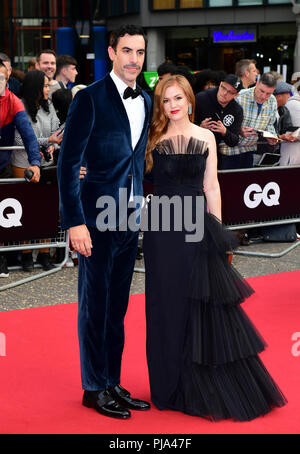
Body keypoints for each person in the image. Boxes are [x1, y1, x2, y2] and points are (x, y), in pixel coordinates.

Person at [143, 74, 287, 421]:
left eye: (178, 99)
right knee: (164, 304)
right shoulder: (151, 137)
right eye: (165, 101)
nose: (173, 106)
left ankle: (198, 380)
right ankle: (167, 381)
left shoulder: (205, 136)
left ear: (190, 100)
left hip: (195, 226)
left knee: (200, 301)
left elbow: (212, 188)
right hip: (161, 227)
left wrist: (220, 234)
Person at [57, 24, 151, 419]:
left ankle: (112, 381)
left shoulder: (146, 100)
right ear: (111, 53)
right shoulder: (90, 98)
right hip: (94, 219)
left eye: (140, 52)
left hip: (129, 218)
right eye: (126, 51)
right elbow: (68, 163)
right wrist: (74, 222)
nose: (133, 59)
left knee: (117, 309)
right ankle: (93, 388)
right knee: (94, 306)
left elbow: (137, 160)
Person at [11, 69, 62, 272]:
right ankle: (26, 255)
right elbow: (18, 139)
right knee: (26, 210)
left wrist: (52, 145)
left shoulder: (48, 107)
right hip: (23, 163)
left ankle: (44, 253)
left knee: (45, 210)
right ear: (36, 87)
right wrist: (46, 141)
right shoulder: (20, 106)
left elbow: (56, 131)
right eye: (45, 85)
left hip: (47, 165)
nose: (49, 88)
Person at [0, 60, 41, 278]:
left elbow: (28, 134)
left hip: (3, 164)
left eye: (2, 78)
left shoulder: (13, 101)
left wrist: (35, 162)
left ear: (7, 80)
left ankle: (2, 258)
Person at [219, 72, 278, 169]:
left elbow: (269, 124)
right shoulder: (239, 97)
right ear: (257, 83)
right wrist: (238, 130)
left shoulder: (272, 101)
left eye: (268, 93)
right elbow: (223, 121)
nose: (263, 96)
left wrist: (271, 135)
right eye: (261, 91)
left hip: (250, 149)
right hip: (229, 150)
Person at [194, 74, 244, 169]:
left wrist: (224, 132)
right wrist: (200, 127)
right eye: (223, 88)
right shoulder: (201, 98)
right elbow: (186, 125)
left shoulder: (237, 110)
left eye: (230, 92)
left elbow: (234, 141)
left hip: (215, 154)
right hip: (194, 151)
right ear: (220, 84)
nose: (224, 93)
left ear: (236, 95)